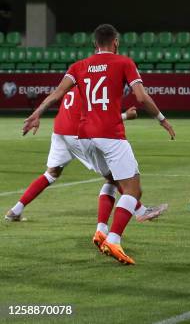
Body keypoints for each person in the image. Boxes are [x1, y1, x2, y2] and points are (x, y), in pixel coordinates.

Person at [22, 24, 176, 265]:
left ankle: (102, 229)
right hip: (110, 133)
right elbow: (141, 97)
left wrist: (37, 113)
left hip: (84, 136)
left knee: (112, 180)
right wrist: (162, 120)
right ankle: (114, 239)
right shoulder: (124, 62)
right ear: (115, 41)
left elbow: (57, 94)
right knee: (133, 189)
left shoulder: (79, 66)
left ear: (95, 44)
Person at [5, 89, 167, 223]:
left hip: (60, 130)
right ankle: (140, 211)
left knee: (52, 172)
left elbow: (59, 97)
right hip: (78, 133)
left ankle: (16, 210)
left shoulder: (74, 84)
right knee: (114, 177)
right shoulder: (92, 86)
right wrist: (126, 116)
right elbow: (99, 119)